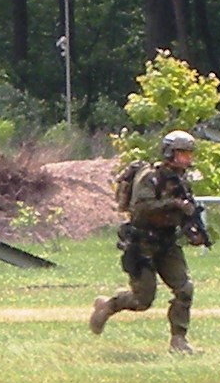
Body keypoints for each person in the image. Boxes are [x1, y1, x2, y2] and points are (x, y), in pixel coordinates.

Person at [90, 130, 210, 352]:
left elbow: (185, 212)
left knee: (185, 289)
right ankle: (108, 305)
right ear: (170, 153)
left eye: (189, 153)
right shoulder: (150, 177)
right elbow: (141, 208)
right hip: (142, 243)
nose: (188, 158)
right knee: (142, 300)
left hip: (167, 243)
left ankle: (179, 340)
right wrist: (173, 204)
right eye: (183, 153)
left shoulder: (181, 182)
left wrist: (193, 232)